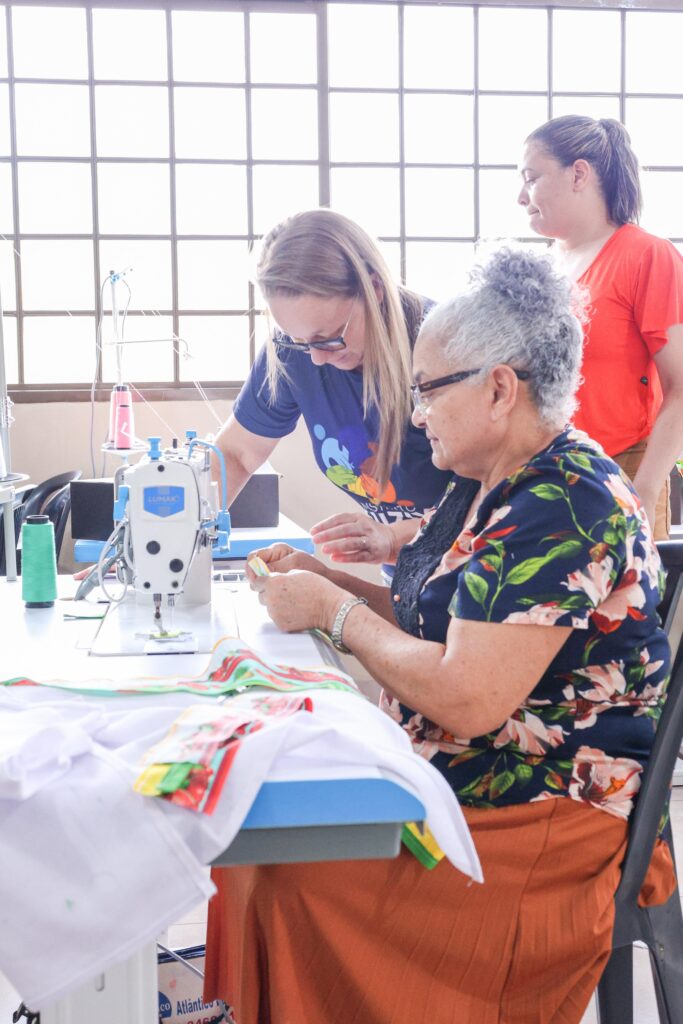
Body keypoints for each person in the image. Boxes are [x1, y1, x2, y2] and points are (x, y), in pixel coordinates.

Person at [203, 249, 673, 1024]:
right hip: (469, 768)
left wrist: (332, 612)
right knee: (246, 835)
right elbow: (441, 624)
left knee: (281, 872)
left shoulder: (563, 501)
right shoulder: (491, 480)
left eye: (426, 392)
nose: (415, 416)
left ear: (498, 387)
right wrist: (329, 582)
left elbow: (466, 697)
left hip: (544, 811)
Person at [214, 208, 454, 568]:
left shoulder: (443, 348)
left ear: (373, 289)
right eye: (299, 341)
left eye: (328, 340)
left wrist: (389, 538)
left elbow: (488, 498)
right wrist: (179, 534)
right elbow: (235, 456)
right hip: (408, 572)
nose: (315, 360)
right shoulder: (292, 353)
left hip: (477, 569)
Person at [518, 114, 683, 540]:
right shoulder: (543, 268)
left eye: (531, 178)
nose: (521, 196)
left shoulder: (647, 256)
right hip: (542, 472)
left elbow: (681, 386)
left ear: (579, 174)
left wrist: (643, 490)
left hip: (621, 470)